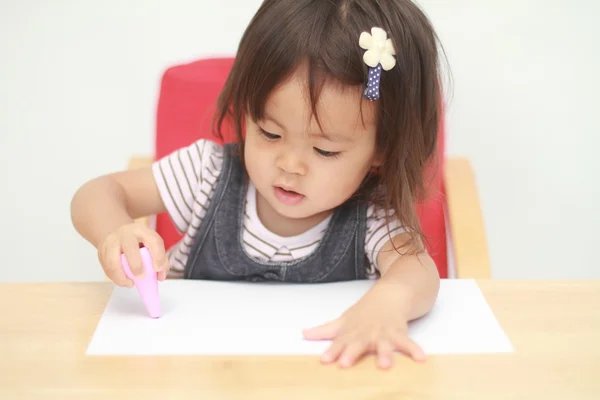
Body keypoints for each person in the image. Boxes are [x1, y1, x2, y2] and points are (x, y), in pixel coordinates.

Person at [71, 0, 445, 369]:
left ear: (381, 149)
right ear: (245, 109)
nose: (290, 165)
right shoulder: (207, 173)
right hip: (198, 374)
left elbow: (418, 271)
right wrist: (114, 232)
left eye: (324, 150)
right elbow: (97, 194)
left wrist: (389, 301)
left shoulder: (373, 216)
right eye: (269, 133)